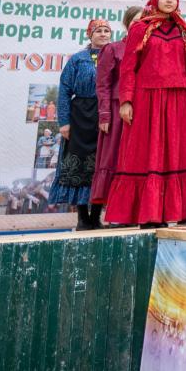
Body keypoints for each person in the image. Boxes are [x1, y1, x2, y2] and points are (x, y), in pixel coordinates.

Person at [107, 0, 186, 227]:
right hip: (147, 99)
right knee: (147, 153)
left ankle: (169, 213)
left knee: (174, 154)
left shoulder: (183, 29)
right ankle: (148, 215)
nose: (169, 0)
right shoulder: (140, 28)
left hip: (177, 100)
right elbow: (128, 67)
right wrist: (126, 101)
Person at [49, 18, 111, 229]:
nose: (103, 34)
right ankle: (82, 217)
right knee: (80, 166)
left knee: (100, 164)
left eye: (106, 31)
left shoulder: (116, 57)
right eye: (98, 31)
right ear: (90, 34)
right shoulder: (78, 59)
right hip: (80, 115)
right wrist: (64, 122)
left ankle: (96, 217)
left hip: (105, 115)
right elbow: (65, 90)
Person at [90, 5, 143, 212]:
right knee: (115, 158)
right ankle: (115, 210)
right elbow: (102, 84)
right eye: (136, 21)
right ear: (127, 23)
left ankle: (137, 209)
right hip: (117, 109)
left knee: (136, 159)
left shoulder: (150, 49)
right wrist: (105, 114)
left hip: (143, 110)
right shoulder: (113, 49)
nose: (140, 25)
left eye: (145, 21)